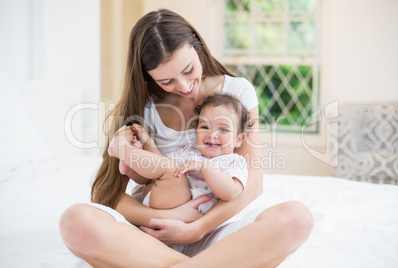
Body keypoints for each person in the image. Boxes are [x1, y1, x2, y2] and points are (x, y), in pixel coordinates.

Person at [59, 9, 313, 267]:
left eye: (188, 69)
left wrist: (196, 229)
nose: (183, 86)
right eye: (167, 81)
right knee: (75, 221)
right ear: (148, 76)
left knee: (296, 218)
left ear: (196, 42)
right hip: (151, 234)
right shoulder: (143, 104)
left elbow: (253, 184)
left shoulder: (237, 92)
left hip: (216, 228)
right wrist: (166, 217)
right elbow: (108, 193)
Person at [108, 94, 252, 214]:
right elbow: (160, 164)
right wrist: (148, 143)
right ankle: (130, 167)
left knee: (172, 169)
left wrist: (204, 168)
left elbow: (231, 192)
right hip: (160, 200)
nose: (212, 134)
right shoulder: (189, 151)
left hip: (183, 212)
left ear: (239, 139)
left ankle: (124, 151)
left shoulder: (235, 162)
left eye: (223, 130)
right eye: (205, 126)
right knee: (164, 168)